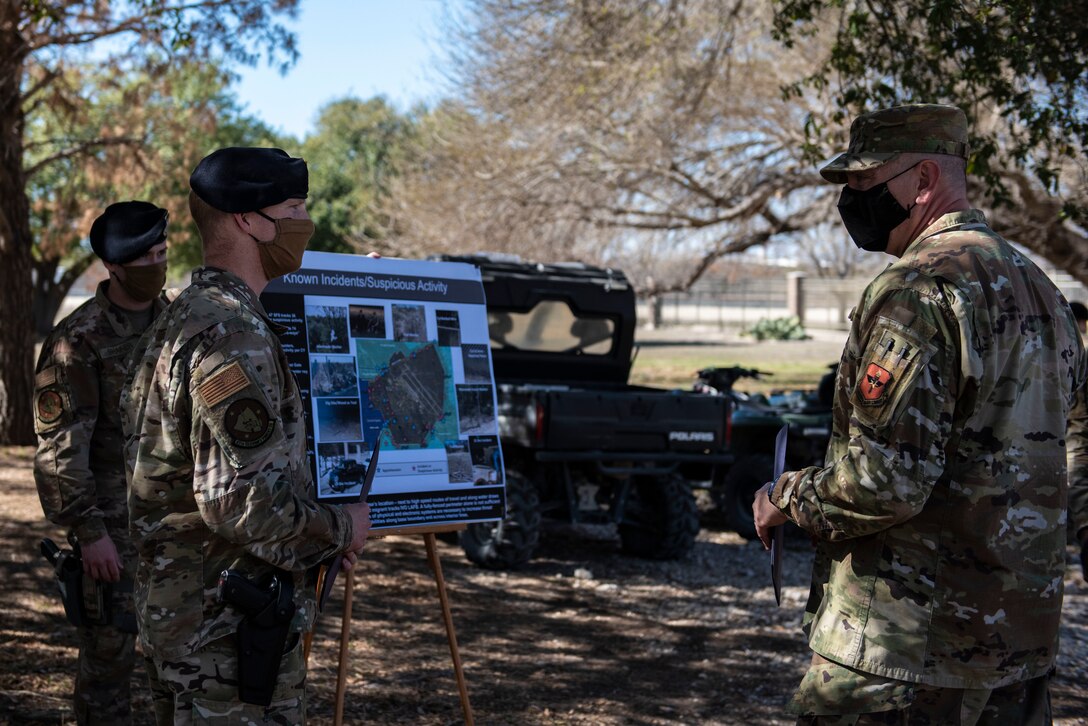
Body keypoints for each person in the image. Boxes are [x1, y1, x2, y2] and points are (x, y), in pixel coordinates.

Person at [752, 104, 1087, 724]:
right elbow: (1077, 451)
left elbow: (885, 482)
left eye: (863, 182)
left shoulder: (918, 291)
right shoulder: (1042, 289)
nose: (852, 201)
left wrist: (786, 496)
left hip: (903, 659)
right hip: (1016, 654)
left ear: (924, 181)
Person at [121, 147, 371, 723]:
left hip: (187, 622)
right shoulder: (232, 335)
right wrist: (340, 528)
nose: (303, 222)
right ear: (246, 220)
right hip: (227, 641)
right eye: (292, 206)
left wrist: (313, 543)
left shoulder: (186, 315)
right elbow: (239, 504)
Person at [33, 200, 171, 725]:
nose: (159, 265)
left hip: (177, 525)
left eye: (163, 251)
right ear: (114, 268)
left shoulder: (176, 319)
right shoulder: (77, 340)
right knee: (108, 669)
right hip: (113, 528)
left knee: (182, 665)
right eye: (147, 259)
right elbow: (59, 447)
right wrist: (89, 533)